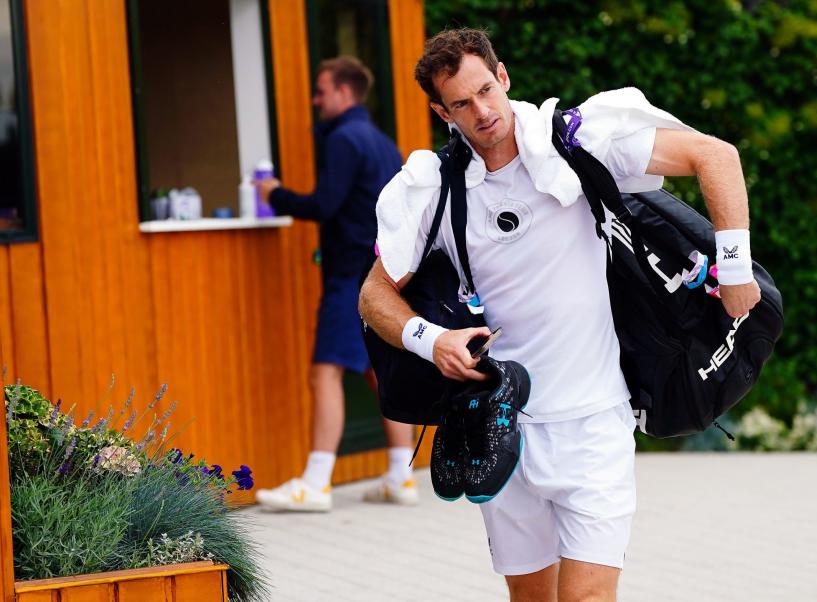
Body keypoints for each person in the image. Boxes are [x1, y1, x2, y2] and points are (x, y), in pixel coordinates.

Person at [359, 29, 760, 600]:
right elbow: (374, 296)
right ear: (439, 110)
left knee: (587, 597)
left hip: (595, 422)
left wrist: (736, 267)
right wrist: (431, 340)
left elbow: (715, 154)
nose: (481, 112)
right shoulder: (435, 187)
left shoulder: (576, 142)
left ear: (503, 77)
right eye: (461, 104)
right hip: (500, 428)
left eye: (485, 91)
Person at [255, 56, 418, 512]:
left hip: (350, 274)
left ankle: (315, 482)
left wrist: (275, 196)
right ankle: (401, 476)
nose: (315, 99)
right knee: (375, 370)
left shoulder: (344, 138)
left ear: (344, 93)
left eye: (321, 90)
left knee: (324, 371)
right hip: (383, 271)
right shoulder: (384, 144)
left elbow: (325, 203)